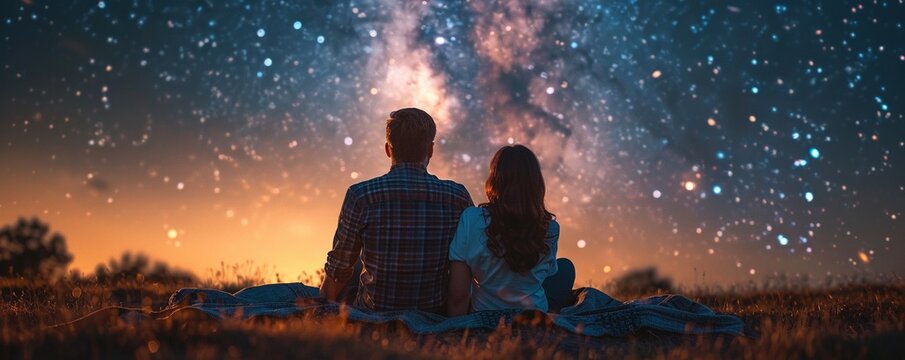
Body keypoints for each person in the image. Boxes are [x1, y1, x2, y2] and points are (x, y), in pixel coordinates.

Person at [320, 108, 473, 313]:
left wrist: (320, 307)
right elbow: (473, 257)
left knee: (351, 261)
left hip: (375, 312)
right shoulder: (457, 196)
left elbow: (339, 267)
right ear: (430, 150)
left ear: (388, 149)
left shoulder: (361, 195)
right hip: (433, 311)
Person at [447, 145, 575, 316]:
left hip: (484, 315)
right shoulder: (550, 227)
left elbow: (458, 296)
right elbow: (546, 275)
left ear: (495, 180)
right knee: (565, 268)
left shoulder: (471, 218)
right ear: (536, 184)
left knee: (564, 267)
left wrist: (457, 326)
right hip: (534, 315)